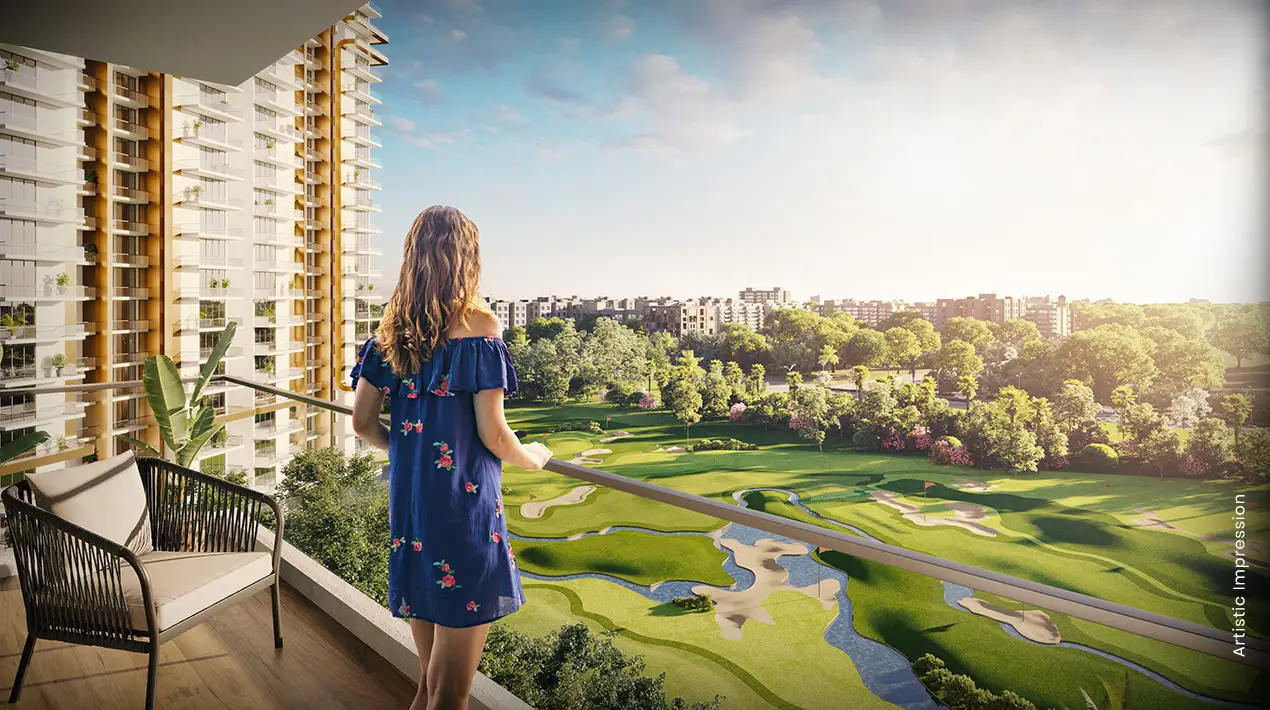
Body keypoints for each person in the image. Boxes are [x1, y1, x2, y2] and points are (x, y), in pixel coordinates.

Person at [350, 205, 552, 710]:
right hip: (464, 516)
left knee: (429, 683)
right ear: (466, 257)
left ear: (412, 257)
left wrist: (414, 452)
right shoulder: (480, 325)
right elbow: (496, 436)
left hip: (413, 510)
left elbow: (362, 424)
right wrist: (533, 458)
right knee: (450, 696)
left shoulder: (391, 333)